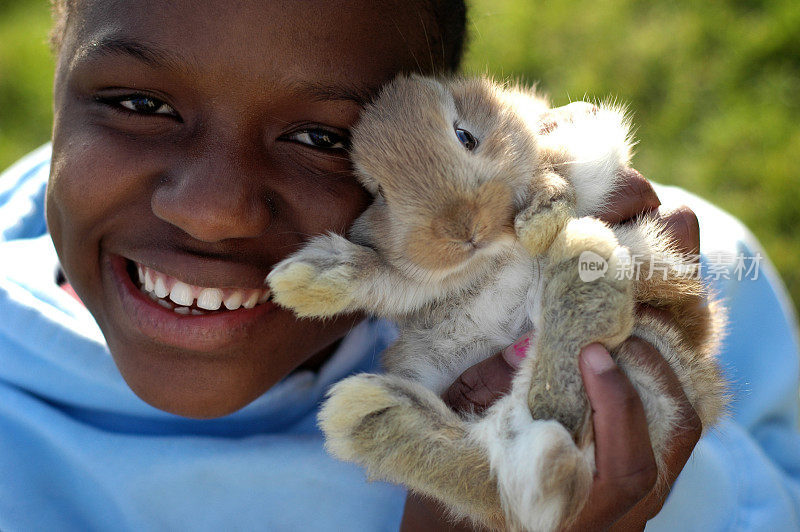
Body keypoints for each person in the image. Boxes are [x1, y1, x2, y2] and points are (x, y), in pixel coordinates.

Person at [0, 0, 798, 530]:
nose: (213, 209)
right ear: (59, 62)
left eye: (323, 139)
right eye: (140, 105)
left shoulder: (665, 282)